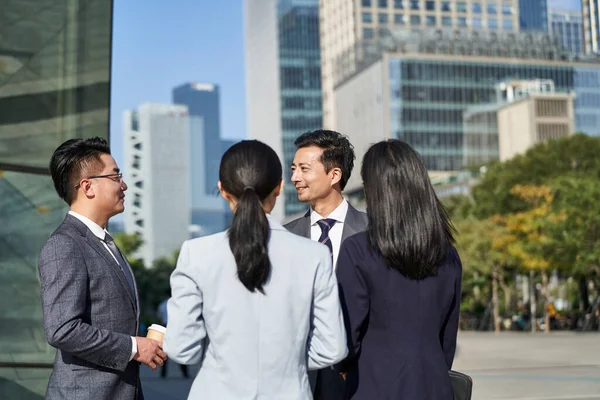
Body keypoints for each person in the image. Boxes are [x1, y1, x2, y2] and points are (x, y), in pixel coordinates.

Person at [163, 140, 347, 399]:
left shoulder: (197, 253)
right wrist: (288, 364)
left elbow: (182, 349)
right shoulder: (314, 255)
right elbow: (332, 349)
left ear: (223, 190)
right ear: (280, 187)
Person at [38, 137, 167, 400]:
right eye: (116, 176)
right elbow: (62, 329)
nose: (124, 185)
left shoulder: (105, 243)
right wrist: (133, 346)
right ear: (88, 187)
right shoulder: (64, 245)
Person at [335, 139, 462, 399]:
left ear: (375, 189)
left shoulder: (357, 250)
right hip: (434, 387)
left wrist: (344, 368)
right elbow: (447, 340)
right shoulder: (448, 254)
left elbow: (346, 336)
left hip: (371, 386)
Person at [285, 129, 367, 400]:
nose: (295, 178)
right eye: (294, 169)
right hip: (298, 376)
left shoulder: (374, 232)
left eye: (304, 169)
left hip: (359, 374)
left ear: (334, 175)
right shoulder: (283, 239)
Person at [157, 293, 189, 379]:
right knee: (180, 349)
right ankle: (185, 372)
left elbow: (160, 317)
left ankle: (163, 373)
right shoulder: (177, 304)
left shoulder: (162, 305)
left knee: (164, 349)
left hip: (165, 326)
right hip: (175, 326)